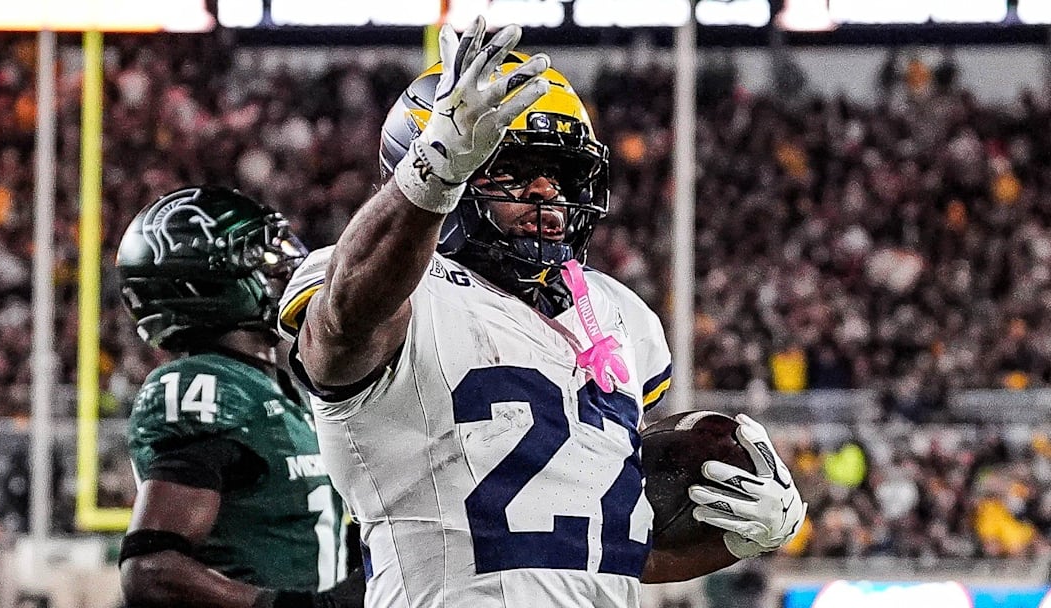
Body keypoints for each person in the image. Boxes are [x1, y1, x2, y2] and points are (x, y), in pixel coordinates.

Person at [277, 17, 806, 607]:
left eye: (560, 174)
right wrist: (433, 175)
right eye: (513, 170)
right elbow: (344, 322)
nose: (546, 194)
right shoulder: (392, 288)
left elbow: (598, 548)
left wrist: (740, 537)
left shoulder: (619, 316)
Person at [115, 187, 363, 608]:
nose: (286, 268)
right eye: (262, 257)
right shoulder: (204, 385)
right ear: (205, 282)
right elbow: (150, 571)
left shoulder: (277, 387)